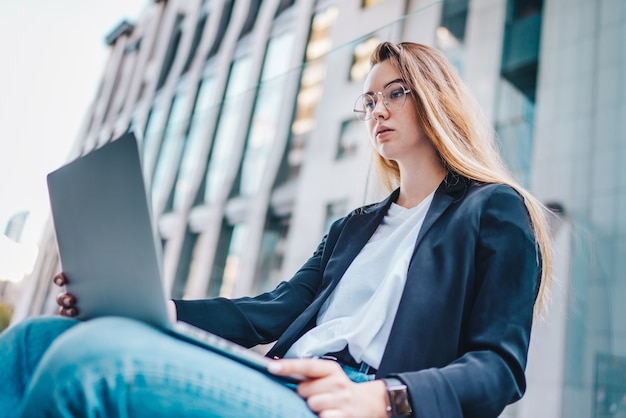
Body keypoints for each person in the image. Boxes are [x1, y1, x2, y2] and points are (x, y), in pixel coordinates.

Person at [0, 41, 553, 418]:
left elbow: (498, 367)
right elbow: (273, 310)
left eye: (395, 92)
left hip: (355, 399)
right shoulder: (355, 227)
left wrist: (386, 399)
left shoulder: (492, 210)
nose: (376, 110)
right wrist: (159, 309)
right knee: (30, 343)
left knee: (92, 364)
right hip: (284, 374)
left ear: (435, 99)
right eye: (368, 100)